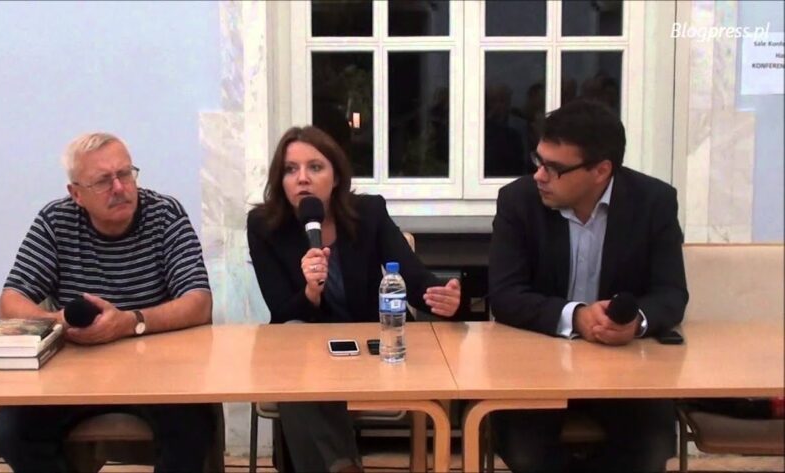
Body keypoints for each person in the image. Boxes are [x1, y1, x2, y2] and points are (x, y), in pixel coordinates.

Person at [0, 132, 215, 473]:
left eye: (125, 174)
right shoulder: (56, 220)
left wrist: (130, 322)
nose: (119, 188)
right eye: (102, 181)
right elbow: (10, 303)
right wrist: (58, 322)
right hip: (72, 370)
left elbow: (199, 301)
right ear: (76, 194)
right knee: (12, 432)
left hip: (158, 369)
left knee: (194, 428)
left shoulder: (165, 214)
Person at [488, 100, 688, 473]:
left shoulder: (654, 202)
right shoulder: (518, 201)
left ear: (601, 170)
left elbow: (671, 292)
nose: (539, 176)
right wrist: (576, 317)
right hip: (536, 366)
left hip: (625, 369)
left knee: (650, 446)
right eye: (538, 160)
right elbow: (505, 293)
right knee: (526, 450)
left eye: (554, 168)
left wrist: (635, 323)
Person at [247, 125, 461, 472]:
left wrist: (444, 296)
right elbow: (281, 311)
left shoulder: (368, 212)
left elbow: (413, 278)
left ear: (336, 177)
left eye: (315, 167)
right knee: (298, 363)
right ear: (280, 180)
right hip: (306, 349)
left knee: (299, 383)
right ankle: (343, 466)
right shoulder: (263, 225)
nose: (302, 178)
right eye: (290, 169)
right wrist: (310, 290)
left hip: (369, 349)